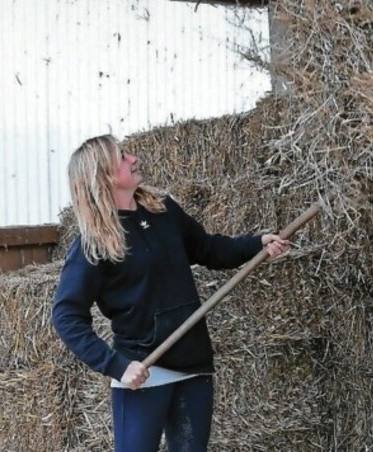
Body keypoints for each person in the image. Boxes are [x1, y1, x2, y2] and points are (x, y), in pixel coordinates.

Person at [51, 134, 288, 452]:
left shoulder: (163, 211)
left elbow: (208, 249)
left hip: (193, 362)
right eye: (122, 157)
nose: (134, 158)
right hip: (144, 371)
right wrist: (117, 366)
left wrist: (256, 243)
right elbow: (66, 315)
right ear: (103, 176)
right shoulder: (94, 244)